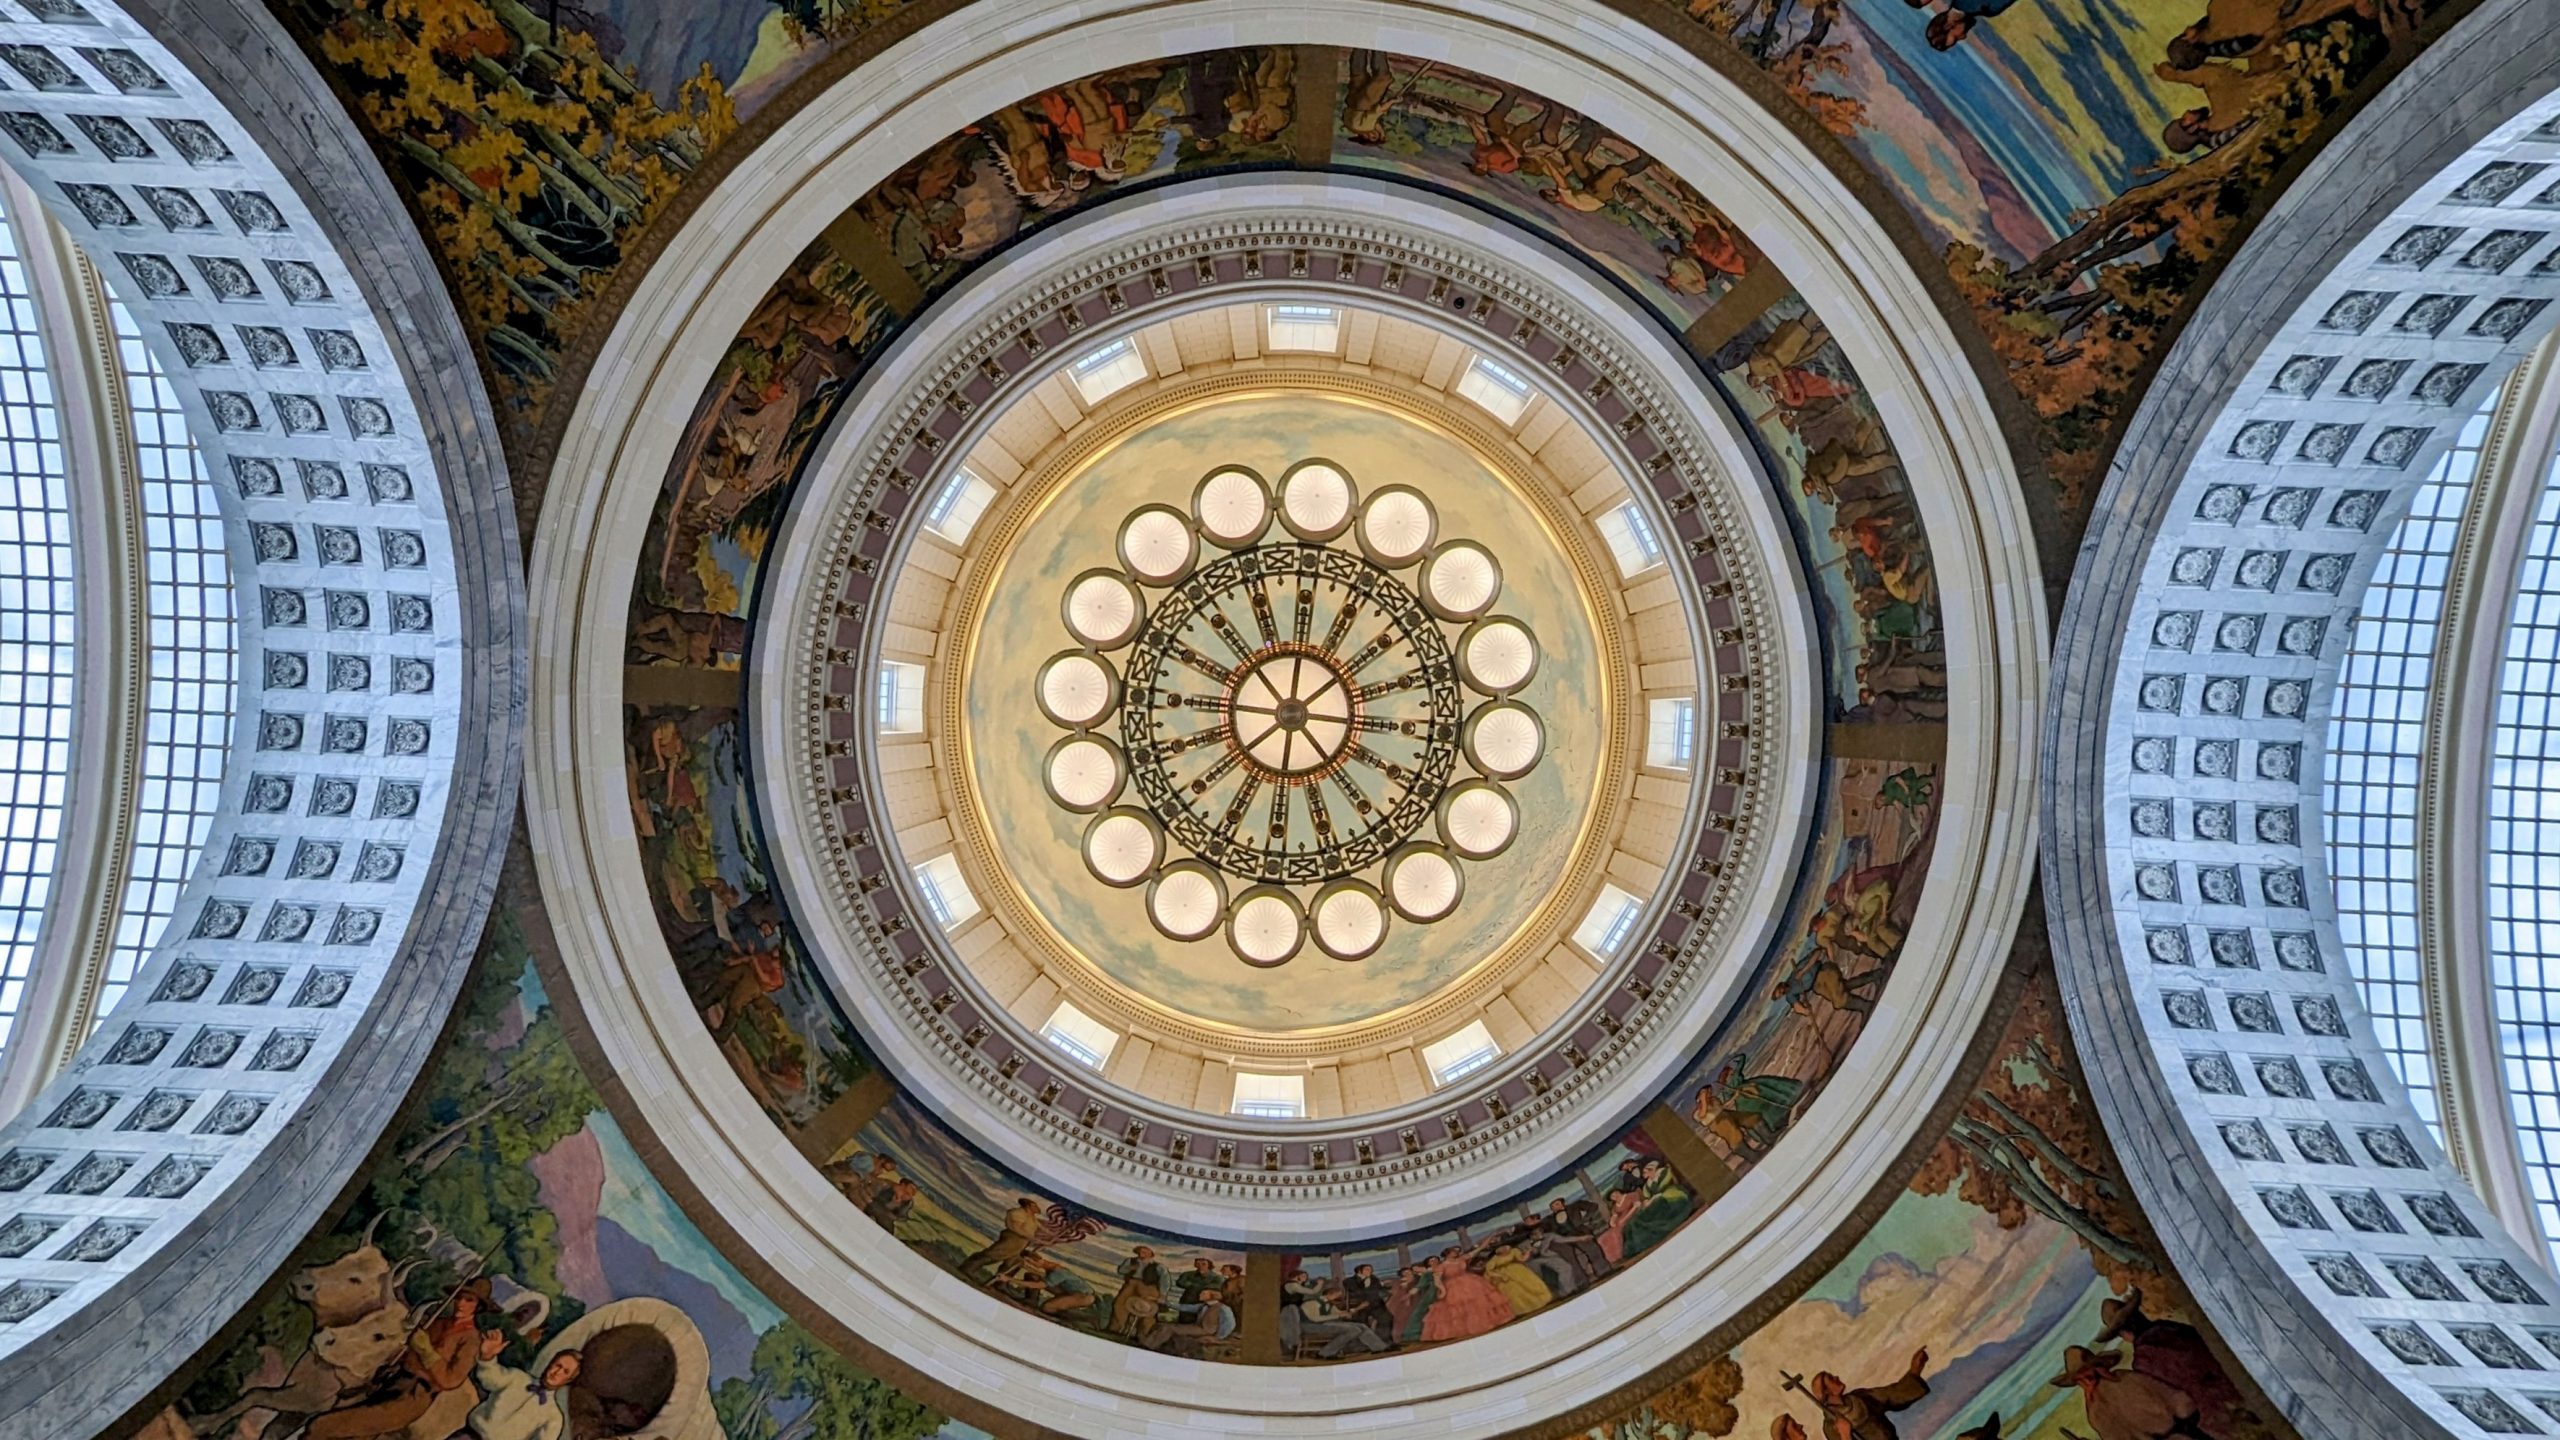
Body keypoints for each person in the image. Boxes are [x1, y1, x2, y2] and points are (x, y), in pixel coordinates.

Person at [300, 1279, 489, 1440]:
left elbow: (451, 1380)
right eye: (459, 1297)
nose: (461, 1303)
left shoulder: (471, 1339)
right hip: (395, 1382)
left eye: (469, 1300)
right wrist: (398, 1363)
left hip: (413, 1398)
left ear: (478, 1307)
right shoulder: (438, 1322)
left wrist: (426, 1351)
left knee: (321, 1426)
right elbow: (410, 1355)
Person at [462, 1330, 582, 1440]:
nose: (557, 1372)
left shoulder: (554, 1417)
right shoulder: (518, 1378)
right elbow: (489, 1378)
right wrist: (487, 1356)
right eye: (558, 1365)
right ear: (551, 1363)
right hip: (470, 1435)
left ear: (568, 1380)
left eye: (566, 1371)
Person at [1798, 1348, 1931, 1440]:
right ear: (1826, 1392)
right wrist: (1845, 1435)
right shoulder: (1832, 1425)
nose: (1836, 1377)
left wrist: (1915, 1369)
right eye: (1831, 1379)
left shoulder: (1860, 1398)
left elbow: (1892, 1394)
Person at [1419, 1249, 1513, 1344]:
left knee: (1479, 1302)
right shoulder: (1442, 1266)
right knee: (1458, 1308)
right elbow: (1437, 1280)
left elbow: (1477, 1250)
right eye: (1453, 1251)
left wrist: (1487, 1241)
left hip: (1470, 1282)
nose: (1455, 1252)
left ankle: (1484, 1323)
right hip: (1453, 1287)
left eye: (1456, 1251)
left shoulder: (1462, 1259)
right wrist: (1443, 1290)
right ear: (1447, 1254)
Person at [1285, 1273, 1387, 1358]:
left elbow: (1338, 1313)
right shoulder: (1311, 1303)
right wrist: (1338, 1316)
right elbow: (1315, 1319)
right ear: (1328, 1294)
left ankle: (1380, 1347)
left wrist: (1348, 1313)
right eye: (1336, 1296)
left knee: (1361, 1326)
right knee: (1353, 1330)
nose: (1338, 1299)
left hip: (1324, 1324)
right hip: (1310, 1326)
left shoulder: (1330, 1304)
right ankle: (1325, 1353)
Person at [961, 1198, 1046, 1283]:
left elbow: (1042, 1228)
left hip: (1021, 1244)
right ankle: (969, 1268)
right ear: (1028, 1206)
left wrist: (1048, 1235)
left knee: (1013, 1262)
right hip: (1012, 1240)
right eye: (1035, 1205)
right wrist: (1029, 1236)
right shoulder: (1017, 1213)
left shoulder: (1032, 1218)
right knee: (994, 1255)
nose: (1037, 1208)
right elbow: (1016, 1227)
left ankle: (999, 1283)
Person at [1142, 1287, 1234, 1358]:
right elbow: (1183, 1307)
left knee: (1170, 1328)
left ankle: (1148, 1347)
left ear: (1212, 1295)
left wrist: (1217, 1337)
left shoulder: (1223, 1308)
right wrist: (1163, 1302)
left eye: (1203, 1293)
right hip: (1197, 1328)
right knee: (1164, 1326)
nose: (1200, 1294)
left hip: (1205, 1331)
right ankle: (1150, 1344)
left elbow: (1229, 1324)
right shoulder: (1203, 1305)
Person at [1480, 1243, 1554, 1317]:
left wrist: (1528, 1252)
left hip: (1518, 1271)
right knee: (1515, 1292)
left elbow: (1522, 1259)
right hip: (1505, 1277)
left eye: (1504, 1246)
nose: (1503, 1249)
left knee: (1529, 1285)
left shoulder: (1514, 1251)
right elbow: (1489, 1271)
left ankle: (1540, 1301)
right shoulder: (1494, 1259)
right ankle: (1524, 1308)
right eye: (1500, 1248)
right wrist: (1501, 1276)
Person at [1110, 1246, 1167, 1338]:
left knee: (1148, 1310)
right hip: (1131, 1284)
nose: (1141, 1253)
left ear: (1151, 1253)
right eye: (1140, 1251)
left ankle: (1144, 1334)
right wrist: (1130, 1268)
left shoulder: (1158, 1267)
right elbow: (1121, 1270)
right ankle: (1116, 1328)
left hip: (1148, 1287)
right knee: (1119, 1304)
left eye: (1145, 1251)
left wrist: (1162, 1294)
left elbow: (1164, 1281)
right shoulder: (1131, 1261)